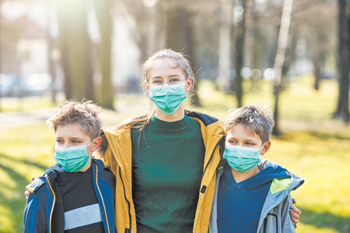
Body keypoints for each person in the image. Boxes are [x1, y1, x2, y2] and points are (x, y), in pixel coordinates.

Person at [25, 49, 301, 233]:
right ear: (147, 87)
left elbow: (248, 160)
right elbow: (82, 164)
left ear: (188, 84)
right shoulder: (123, 138)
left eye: (173, 79)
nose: (165, 87)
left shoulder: (212, 135)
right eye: (157, 81)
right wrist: (43, 186)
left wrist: (277, 202)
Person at [23, 101, 116, 233]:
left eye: (75, 141)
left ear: (95, 144)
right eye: (60, 141)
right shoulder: (44, 191)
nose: (65, 147)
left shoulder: (110, 182)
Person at [209, 105, 304, 233]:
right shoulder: (211, 182)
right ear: (225, 141)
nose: (240, 148)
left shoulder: (277, 192)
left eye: (249, 143)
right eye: (233, 141)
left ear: (265, 147)